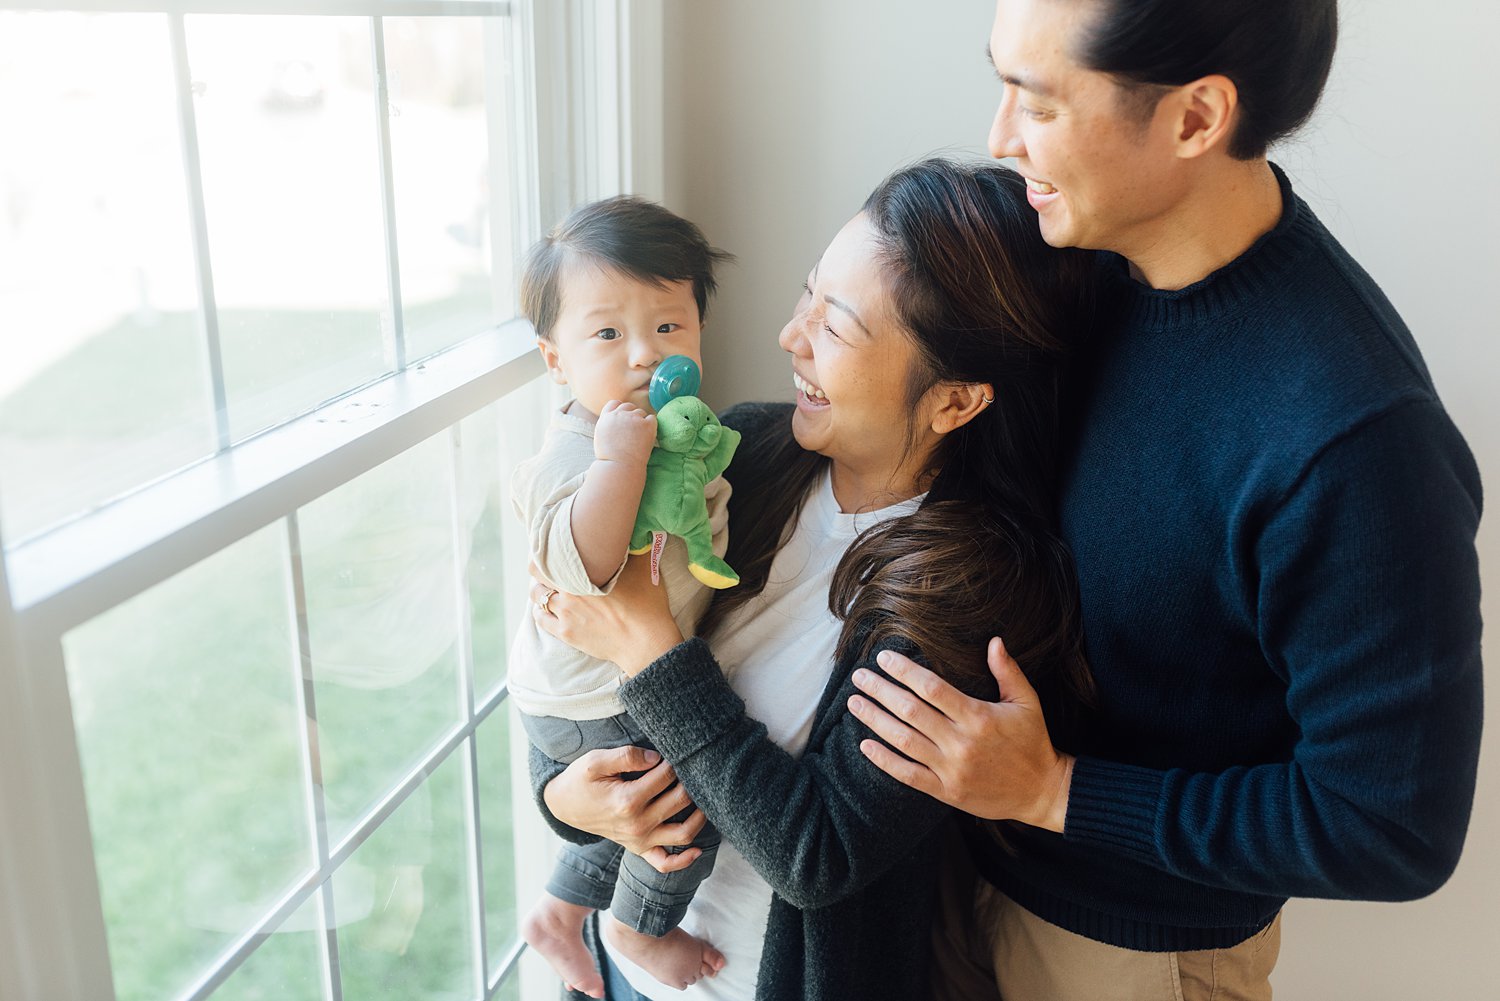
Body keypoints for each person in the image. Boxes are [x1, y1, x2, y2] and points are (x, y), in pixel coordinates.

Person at [844, 2, 1485, 999]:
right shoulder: (1081, 256)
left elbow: (1392, 826)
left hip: (1123, 952)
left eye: (1041, 103)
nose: (1000, 136)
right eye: (1002, 83)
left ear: (1196, 119)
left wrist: (1055, 791)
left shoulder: (1352, 444)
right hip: (965, 871)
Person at [528, 158, 1099, 1001]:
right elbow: (570, 665)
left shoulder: (971, 592)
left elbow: (820, 851)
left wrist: (651, 643)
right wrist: (568, 801)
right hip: (624, 968)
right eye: (806, 295)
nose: (788, 336)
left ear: (955, 401)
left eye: (833, 326)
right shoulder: (742, 453)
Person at [508, 195, 736, 997]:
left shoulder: (677, 428)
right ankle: (638, 926)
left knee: (626, 805)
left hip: (601, 683)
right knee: (686, 804)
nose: (644, 354)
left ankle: (557, 908)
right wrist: (618, 467)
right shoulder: (575, 456)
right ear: (555, 360)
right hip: (589, 692)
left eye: (669, 327)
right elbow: (586, 564)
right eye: (607, 333)